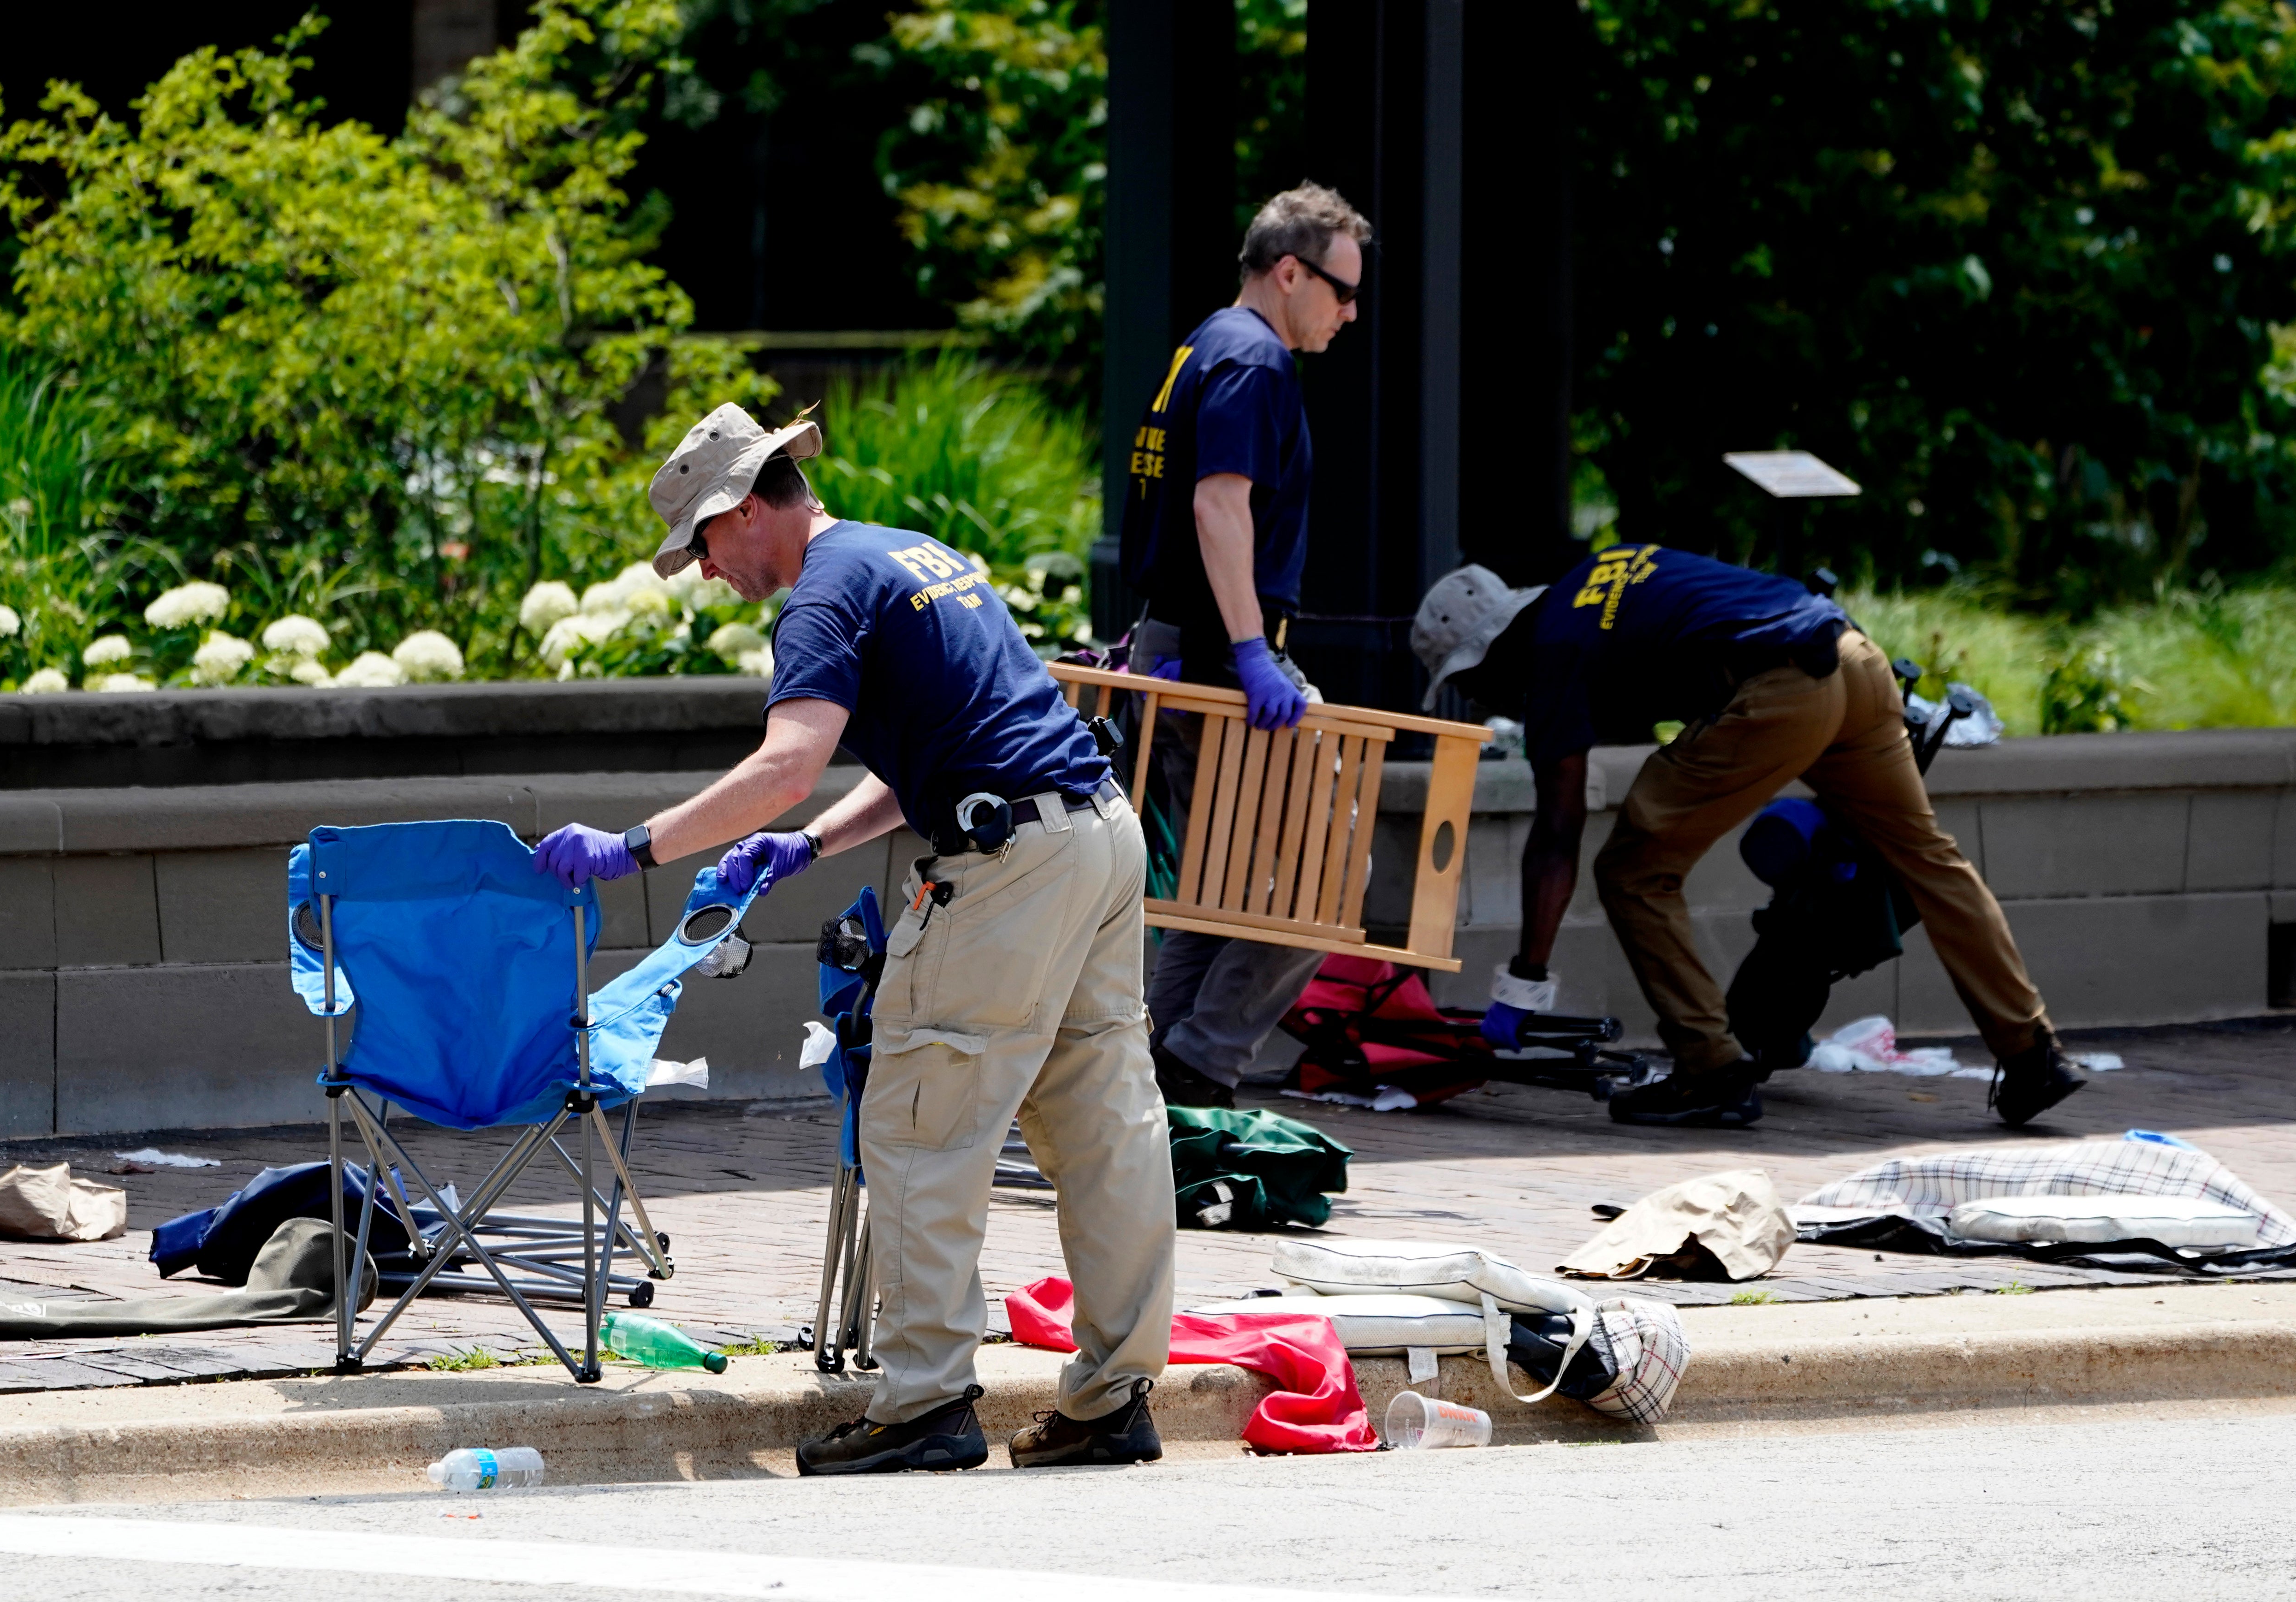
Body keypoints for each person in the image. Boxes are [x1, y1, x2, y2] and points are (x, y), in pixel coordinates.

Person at [532, 403, 1175, 1474]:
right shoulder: (913, 557)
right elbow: (946, 742)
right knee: (1103, 1121)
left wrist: (633, 848)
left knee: (922, 1119)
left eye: (699, 541)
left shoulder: (820, 598)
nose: (701, 570)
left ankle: (924, 1404)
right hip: (1096, 840)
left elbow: (787, 760)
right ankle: (1113, 1401)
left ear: (743, 509)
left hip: (1008, 866)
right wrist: (812, 844)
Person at [1410, 549, 2088, 1129]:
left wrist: (1524, 980)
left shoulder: (1550, 651)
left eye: (1470, 682)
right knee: (1927, 859)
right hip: (1851, 659)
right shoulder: (1600, 573)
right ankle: (2033, 1054)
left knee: (1631, 868)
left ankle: (1711, 1070)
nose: (1479, 700)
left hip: (1780, 686)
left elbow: (1558, 831)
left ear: (1493, 650)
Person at [1118, 181, 1374, 1108]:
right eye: (1342, 291)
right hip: (1224, 652)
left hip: (1184, 643)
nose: (1351, 311)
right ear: (1291, 272)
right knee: (1328, 871)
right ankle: (1200, 1056)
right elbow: (1218, 504)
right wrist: (1251, 652)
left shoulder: (1201, 347)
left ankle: (1159, 1065)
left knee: (1227, 877)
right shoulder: (1254, 363)